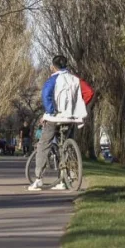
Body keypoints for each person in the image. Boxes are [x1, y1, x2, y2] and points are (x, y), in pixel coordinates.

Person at [28, 55, 88, 192]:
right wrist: (78, 107)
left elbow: (46, 95)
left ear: (53, 67)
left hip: (55, 118)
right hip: (72, 118)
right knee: (67, 145)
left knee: (44, 145)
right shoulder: (75, 79)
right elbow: (89, 92)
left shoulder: (53, 79)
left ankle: (38, 179)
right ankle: (67, 178)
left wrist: (50, 111)